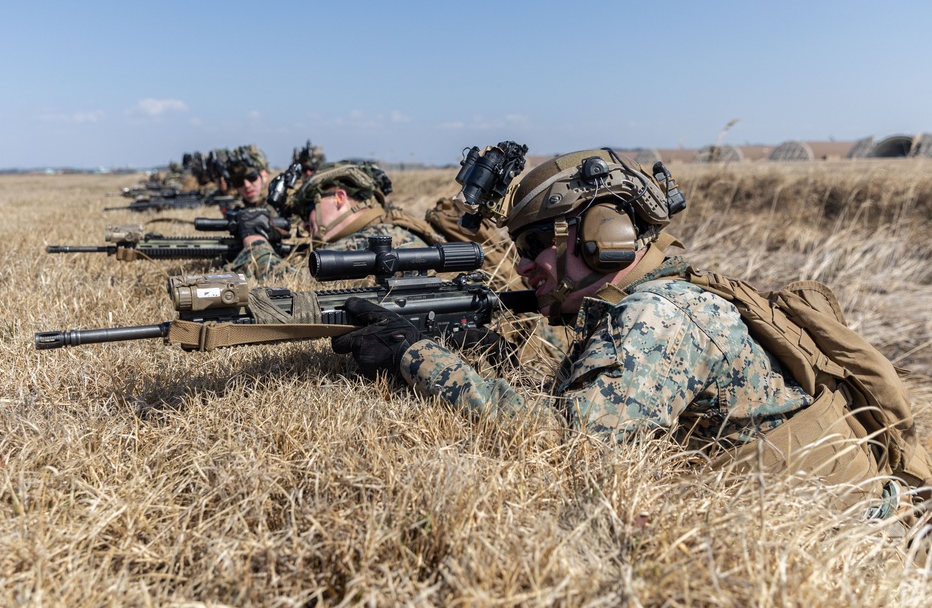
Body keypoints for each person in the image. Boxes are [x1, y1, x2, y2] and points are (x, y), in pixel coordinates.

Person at [330, 147, 932, 519]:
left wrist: (418, 356)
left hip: (842, 532)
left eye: (538, 244)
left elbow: (570, 438)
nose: (522, 265)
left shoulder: (661, 316)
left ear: (604, 237)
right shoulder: (657, 296)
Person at [226, 161, 441, 283]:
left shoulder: (372, 241)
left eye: (309, 210)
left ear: (339, 198)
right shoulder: (383, 229)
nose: (306, 226)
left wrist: (254, 239)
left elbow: (288, 281)